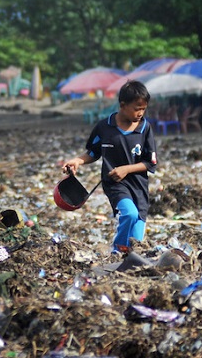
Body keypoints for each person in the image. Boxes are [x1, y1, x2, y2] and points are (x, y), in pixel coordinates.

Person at [60, 80, 158, 255]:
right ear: (122, 105)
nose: (140, 113)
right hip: (115, 185)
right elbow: (93, 152)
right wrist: (77, 161)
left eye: (143, 109)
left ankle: (126, 266)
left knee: (137, 246)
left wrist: (126, 169)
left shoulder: (145, 128)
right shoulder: (105, 127)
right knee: (129, 214)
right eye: (137, 108)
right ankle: (116, 251)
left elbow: (149, 163)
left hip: (139, 186)